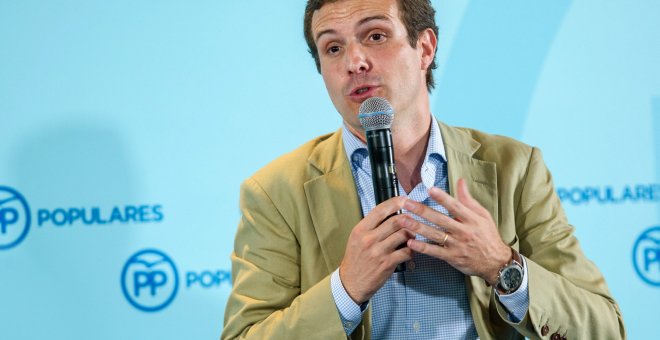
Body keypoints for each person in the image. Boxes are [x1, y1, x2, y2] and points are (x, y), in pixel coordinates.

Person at [221, 0, 626, 339]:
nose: (354, 62)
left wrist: (502, 265)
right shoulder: (276, 192)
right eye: (332, 48)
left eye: (375, 36)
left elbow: (605, 329)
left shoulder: (514, 169)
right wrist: (345, 290)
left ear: (425, 48)